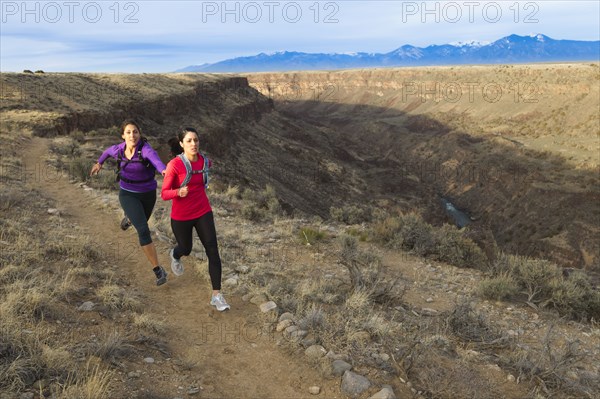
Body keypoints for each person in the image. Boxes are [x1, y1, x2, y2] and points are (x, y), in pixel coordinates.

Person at [90, 119, 169, 286]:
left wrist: (164, 170)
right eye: (128, 132)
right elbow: (106, 152)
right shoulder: (118, 149)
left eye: (135, 132)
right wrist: (99, 163)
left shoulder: (146, 150)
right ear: (123, 135)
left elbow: (157, 162)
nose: (132, 135)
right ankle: (158, 270)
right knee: (143, 230)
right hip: (127, 194)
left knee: (139, 220)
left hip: (147, 194)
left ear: (139, 134)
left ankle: (129, 219)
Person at [161, 128, 230, 311]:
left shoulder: (205, 162)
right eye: (189, 141)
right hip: (181, 216)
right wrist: (178, 191)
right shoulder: (174, 165)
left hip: (203, 211)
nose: (194, 144)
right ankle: (175, 255)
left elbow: (205, 175)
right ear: (182, 144)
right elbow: (164, 193)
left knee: (213, 250)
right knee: (186, 248)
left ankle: (217, 295)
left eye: (196, 140)